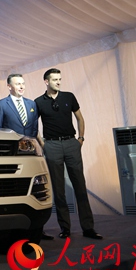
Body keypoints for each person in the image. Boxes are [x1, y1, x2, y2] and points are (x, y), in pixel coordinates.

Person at [35, 68, 102, 240]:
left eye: (60, 79)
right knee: (58, 190)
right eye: (55, 79)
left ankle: (88, 228)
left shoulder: (69, 97)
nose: (58, 82)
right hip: (52, 145)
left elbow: (80, 118)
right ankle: (65, 228)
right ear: (46, 82)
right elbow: (34, 126)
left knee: (80, 185)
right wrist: (43, 144)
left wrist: (80, 139)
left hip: (71, 143)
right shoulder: (39, 102)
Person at [0, 73, 53, 240]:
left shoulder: (31, 104)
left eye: (23, 83)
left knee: (36, 189)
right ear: (9, 86)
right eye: (17, 83)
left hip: (30, 154)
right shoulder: (1, 104)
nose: (21, 86)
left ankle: (38, 230)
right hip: (10, 156)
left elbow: (34, 129)